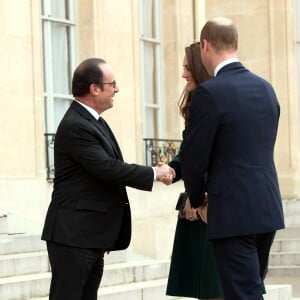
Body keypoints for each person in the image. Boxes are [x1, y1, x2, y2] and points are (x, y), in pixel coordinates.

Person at [41, 58, 175, 300]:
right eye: (112, 84)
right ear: (95, 88)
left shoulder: (93, 121)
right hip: (73, 237)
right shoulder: (76, 125)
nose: (117, 89)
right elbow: (108, 168)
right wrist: (154, 173)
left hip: (89, 237)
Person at [181, 17, 285, 299]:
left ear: (205, 46)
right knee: (250, 288)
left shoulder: (209, 93)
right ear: (235, 44)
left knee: (243, 294)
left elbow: (194, 157)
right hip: (267, 206)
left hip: (231, 210)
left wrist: (197, 197)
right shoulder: (267, 89)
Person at [164, 42, 223, 300]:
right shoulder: (196, 100)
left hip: (210, 206)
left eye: (187, 67)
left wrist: (196, 195)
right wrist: (172, 170)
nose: (183, 74)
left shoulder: (213, 100)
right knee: (206, 289)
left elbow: (218, 154)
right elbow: (190, 151)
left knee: (216, 288)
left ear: (200, 67)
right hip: (199, 207)